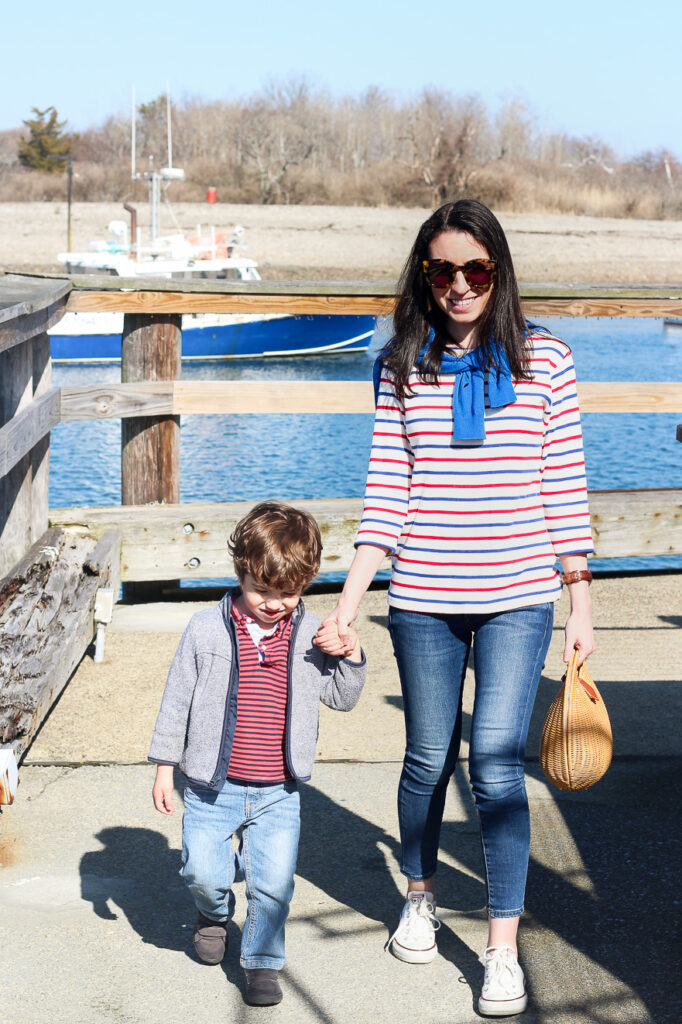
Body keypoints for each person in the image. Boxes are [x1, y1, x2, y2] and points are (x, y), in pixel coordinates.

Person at [315, 199, 594, 1017]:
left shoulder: (547, 361)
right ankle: (419, 894)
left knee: (498, 766)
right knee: (427, 758)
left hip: (517, 597)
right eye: (444, 271)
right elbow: (387, 494)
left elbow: (564, 491)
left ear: (498, 271)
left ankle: (502, 951)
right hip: (425, 599)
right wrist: (350, 600)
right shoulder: (401, 362)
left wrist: (580, 601)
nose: (461, 286)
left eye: (476, 269)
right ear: (424, 276)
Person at [150, 501, 366, 1007]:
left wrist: (350, 653)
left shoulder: (311, 636)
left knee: (273, 884)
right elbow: (176, 698)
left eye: (288, 594)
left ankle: (262, 962)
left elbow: (342, 697)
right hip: (210, 788)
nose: (274, 604)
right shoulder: (205, 629)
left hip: (278, 792)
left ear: (306, 583)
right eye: (262, 591)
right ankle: (212, 912)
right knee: (202, 871)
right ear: (241, 573)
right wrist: (164, 768)